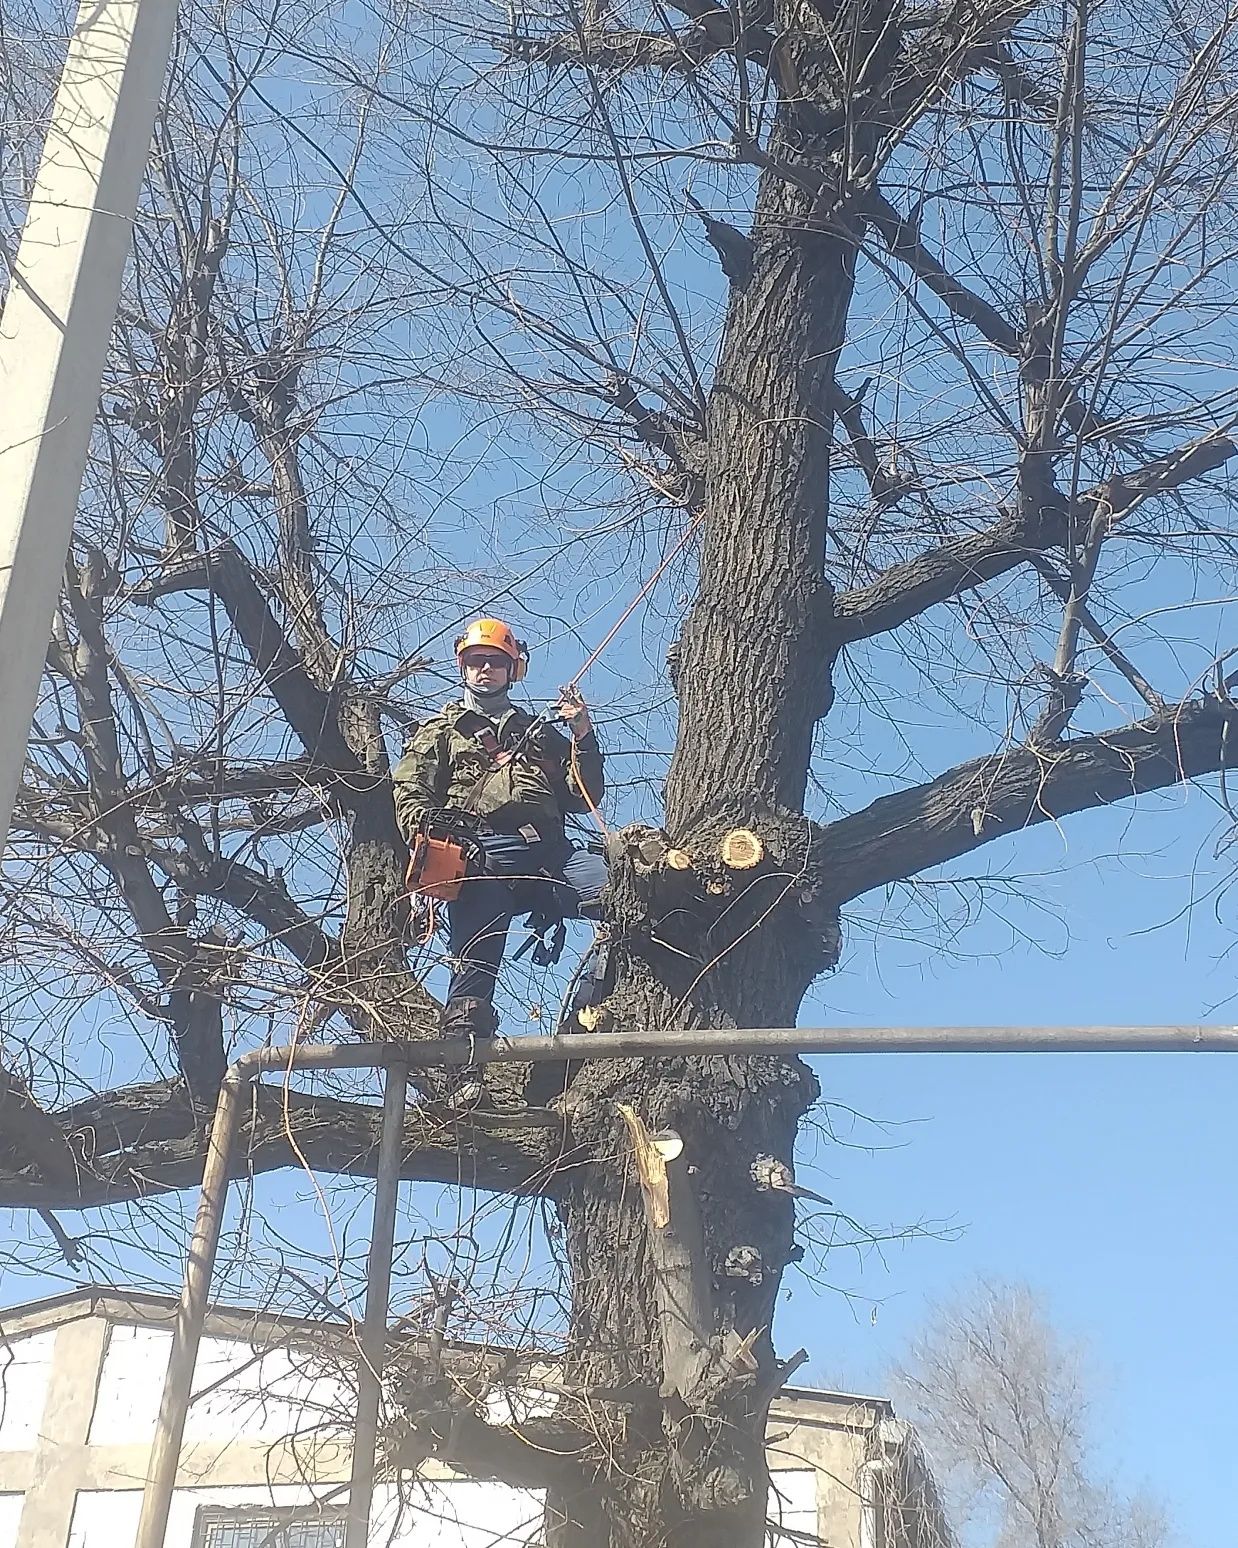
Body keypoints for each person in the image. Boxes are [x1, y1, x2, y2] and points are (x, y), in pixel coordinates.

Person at [392, 618, 607, 1094]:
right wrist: (431, 833)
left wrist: (583, 736)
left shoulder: (539, 734)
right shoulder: (441, 732)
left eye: (495, 662)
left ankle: (597, 1011)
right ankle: (463, 1075)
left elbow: (583, 796)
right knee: (475, 963)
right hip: (481, 855)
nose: (485, 670)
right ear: (463, 667)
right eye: (476, 661)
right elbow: (409, 792)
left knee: (624, 893)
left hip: (550, 855)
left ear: (514, 670)